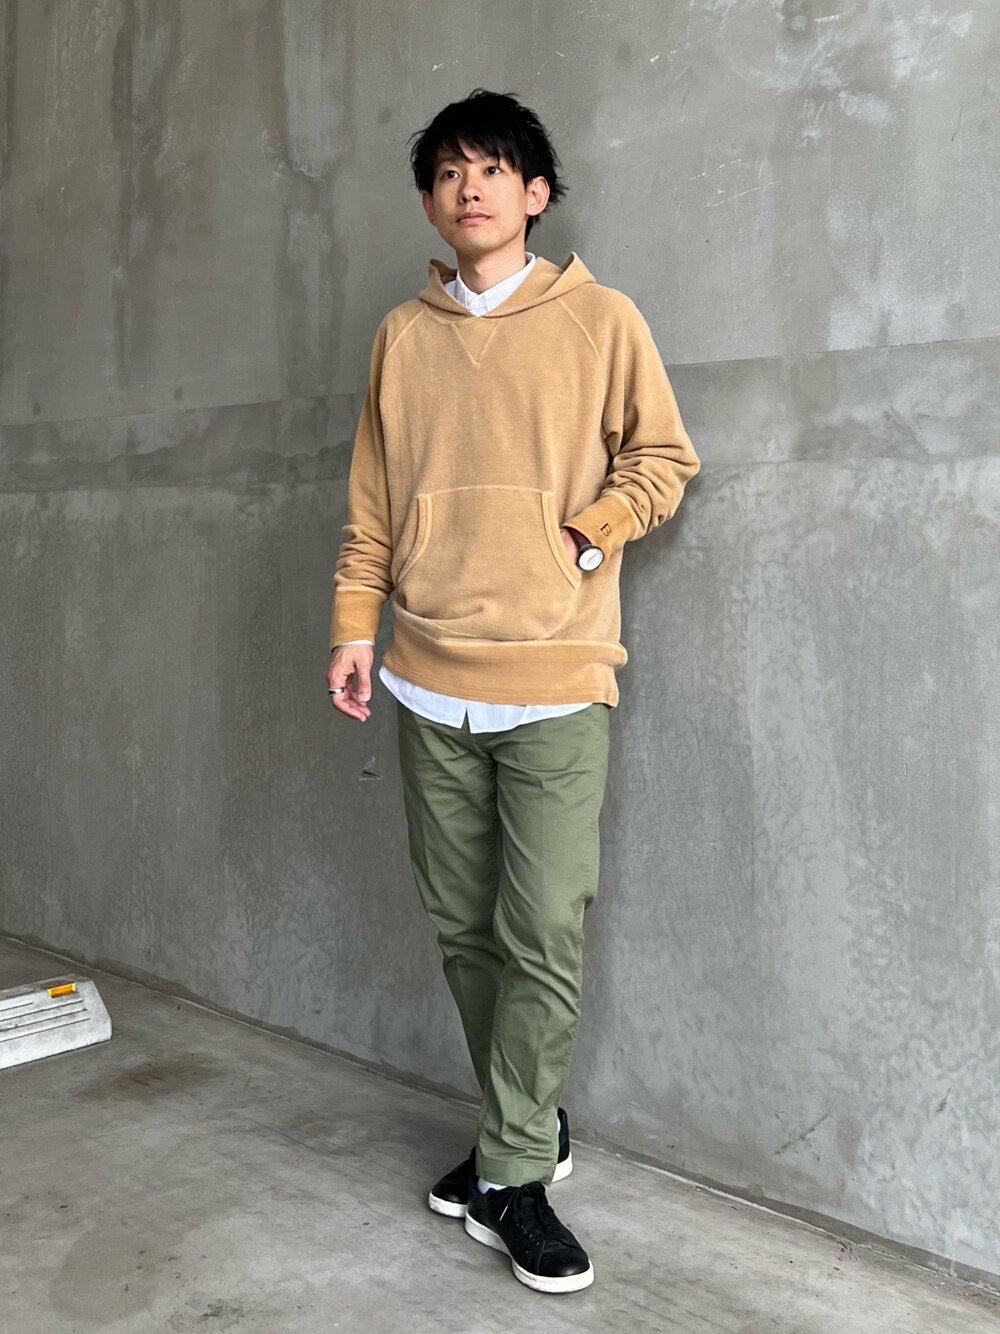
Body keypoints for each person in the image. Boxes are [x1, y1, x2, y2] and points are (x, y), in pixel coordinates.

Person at [326, 88, 700, 1295]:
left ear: (535, 193)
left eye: (491, 168)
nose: (468, 186)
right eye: (447, 171)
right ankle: (523, 1122)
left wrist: (587, 534)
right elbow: (373, 508)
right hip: (424, 673)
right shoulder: (402, 336)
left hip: (556, 674)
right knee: (462, 929)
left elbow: (663, 457)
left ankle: (514, 1174)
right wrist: (353, 628)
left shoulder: (600, 317)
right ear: (430, 201)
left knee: (542, 928)